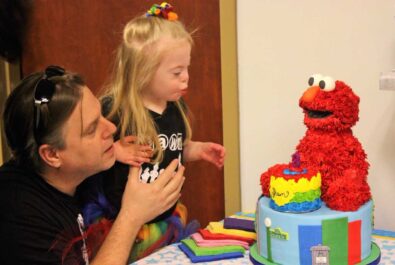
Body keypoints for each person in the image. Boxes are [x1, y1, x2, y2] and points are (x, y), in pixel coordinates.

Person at [80, 2, 226, 261]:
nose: (186, 78)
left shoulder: (175, 106)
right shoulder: (115, 110)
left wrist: (199, 149)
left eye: (187, 68)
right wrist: (117, 150)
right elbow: (88, 156)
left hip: (167, 220)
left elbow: (175, 146)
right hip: (123, 226)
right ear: (143, 72)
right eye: (177, 72)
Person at [0, 65, 185, 265]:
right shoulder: (21, 219)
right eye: (92, 129)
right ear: (52, 154)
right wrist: (132, 216)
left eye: (101, 116)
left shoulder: (70, 173)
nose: (112, 128)